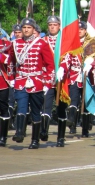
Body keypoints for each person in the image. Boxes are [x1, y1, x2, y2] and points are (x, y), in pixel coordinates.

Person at [7, 18, 54, 149]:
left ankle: (35, 140)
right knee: (21, 106)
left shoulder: (41, 44)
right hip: (21, 80)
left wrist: (48, 83)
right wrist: (11, 77)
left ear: (34, 29)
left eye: (29, 27)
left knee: (35, 111)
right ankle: (19, 133)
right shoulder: (15, 44)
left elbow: (50, 65)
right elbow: (11, 61)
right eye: (24, 28)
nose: (26, 30)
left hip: (37, 81)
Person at [57, 21, 92, 137]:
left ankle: (85, 129)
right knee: (74, 100)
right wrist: (63, 68)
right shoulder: (72, 44)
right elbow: (67, 58)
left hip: (87, 76)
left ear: (85, 31)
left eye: (82, 29)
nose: (80, 31)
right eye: (78, 29)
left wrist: (90, 65)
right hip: (74, 76)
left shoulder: (90, 43)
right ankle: (71, 124)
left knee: (86, 103)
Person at [40, 16, 69, 147]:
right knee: (45, 105)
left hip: (61, 79)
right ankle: (44, 130)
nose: (52, 27)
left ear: (59, 26)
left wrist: (63, 68)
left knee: (61, 108)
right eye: (50, 24)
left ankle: (60, 137)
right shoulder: (42, 40)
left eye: (55, 24)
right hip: (47, 78)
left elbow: (68, 56)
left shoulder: (64, 41)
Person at [0, 30, 12, 146]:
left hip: (2, 82)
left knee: (3, 107)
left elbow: (10, 59)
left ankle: (3, 137)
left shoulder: (5, 44)